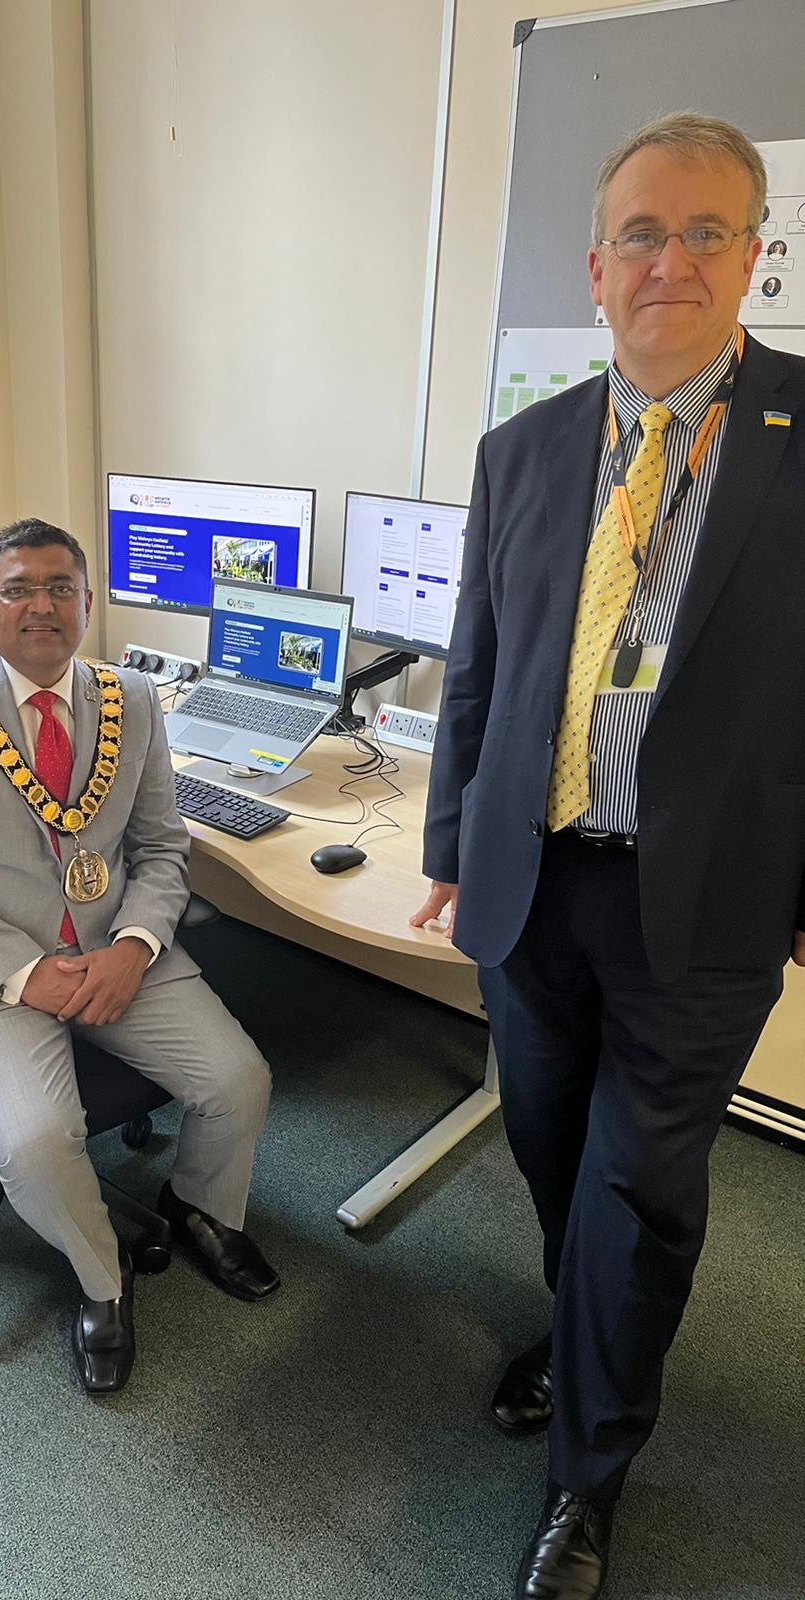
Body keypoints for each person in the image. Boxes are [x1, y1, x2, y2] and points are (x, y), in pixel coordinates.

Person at [410, 113, 805, 1599]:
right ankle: (591, 1339)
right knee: (552, 1147)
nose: (673, 260)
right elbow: (477, 671)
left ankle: (592, 1474)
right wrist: (451, 840)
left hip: (701, 904)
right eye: (644, 231)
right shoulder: (524, 451)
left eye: (709, 231)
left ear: (754, 258)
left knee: (640, 1184)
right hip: (534, 883)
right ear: (597, 264)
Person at [0, 517, 279, 1394]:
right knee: (36, 1139)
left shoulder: (131, 696)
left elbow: (165, 850)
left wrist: (134, 944)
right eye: (19, 588)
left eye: (61, 588)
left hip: (119, 952)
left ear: (88, 605)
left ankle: (200, 1209)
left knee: (239, 1079)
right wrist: (26, 970)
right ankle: (101, 1279)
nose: (41, 605)